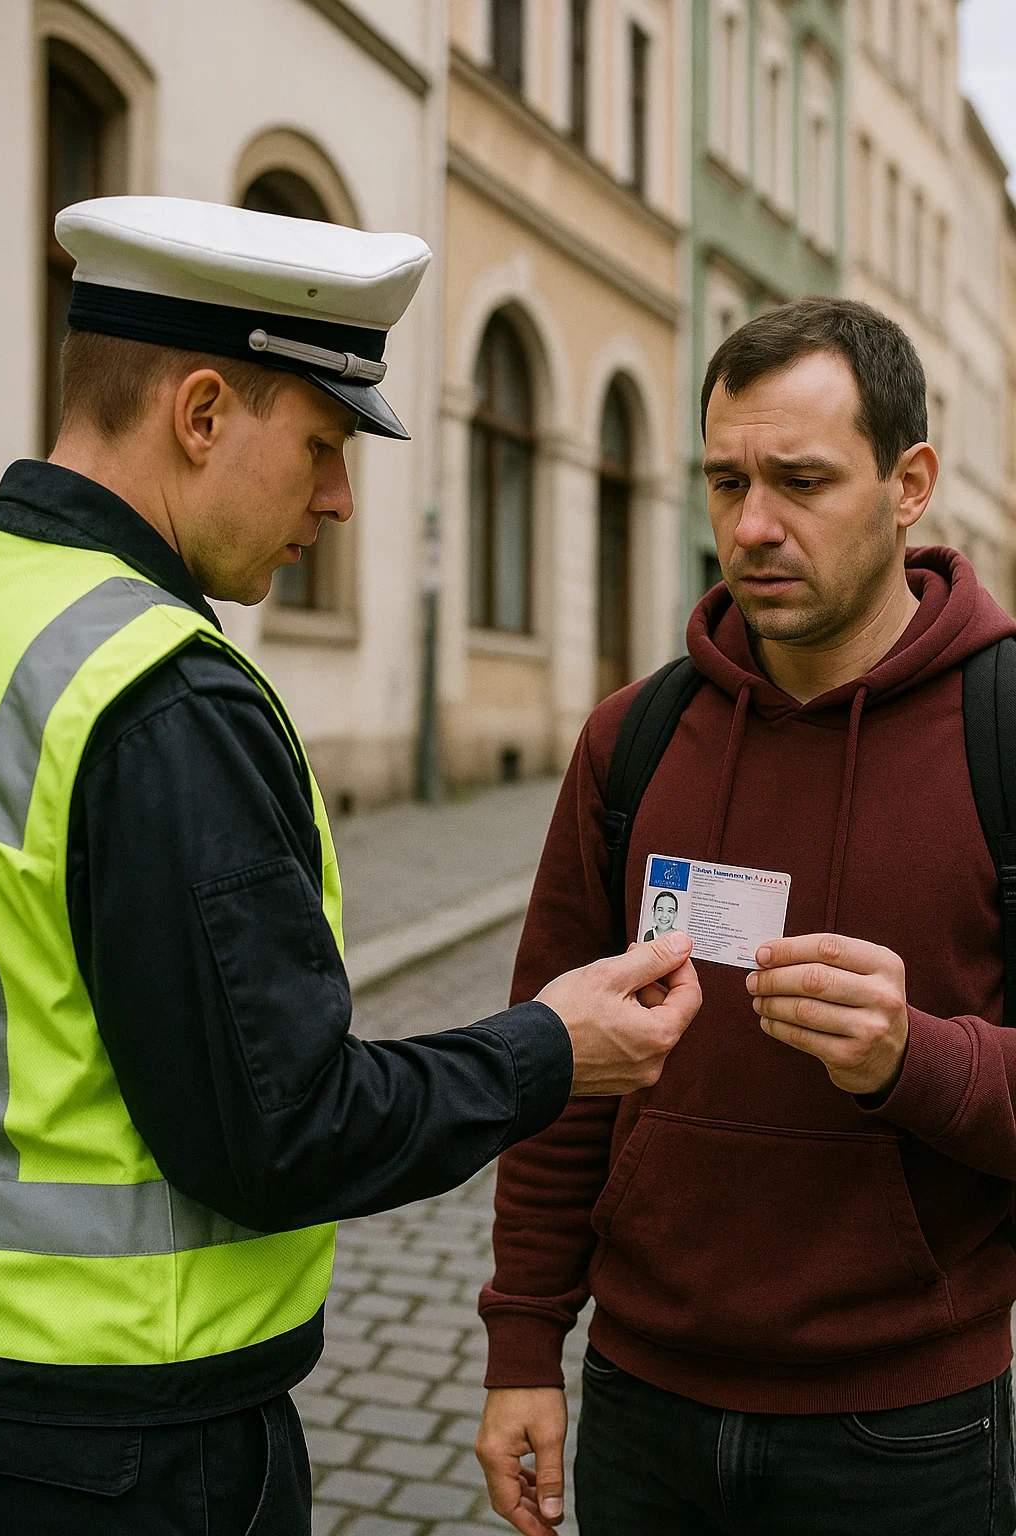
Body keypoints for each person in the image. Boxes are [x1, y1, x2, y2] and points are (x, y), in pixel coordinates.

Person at [0, 195, 703, 1535]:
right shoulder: (159, 700)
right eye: (320, 441)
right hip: (123, 1441)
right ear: (200, 413)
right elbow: (281, 1129)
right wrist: (553, 1049)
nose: (338, 494)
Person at [475, 297, 1016, 1536]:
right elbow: (553, 1066)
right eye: (725, 481)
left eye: (803, 481)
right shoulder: (635, 738)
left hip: (907, 1428)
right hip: (642, 1404)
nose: (753, 527)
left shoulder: (1000, 736)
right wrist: (520, 1346)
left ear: (909, 483)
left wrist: (912, 1059)